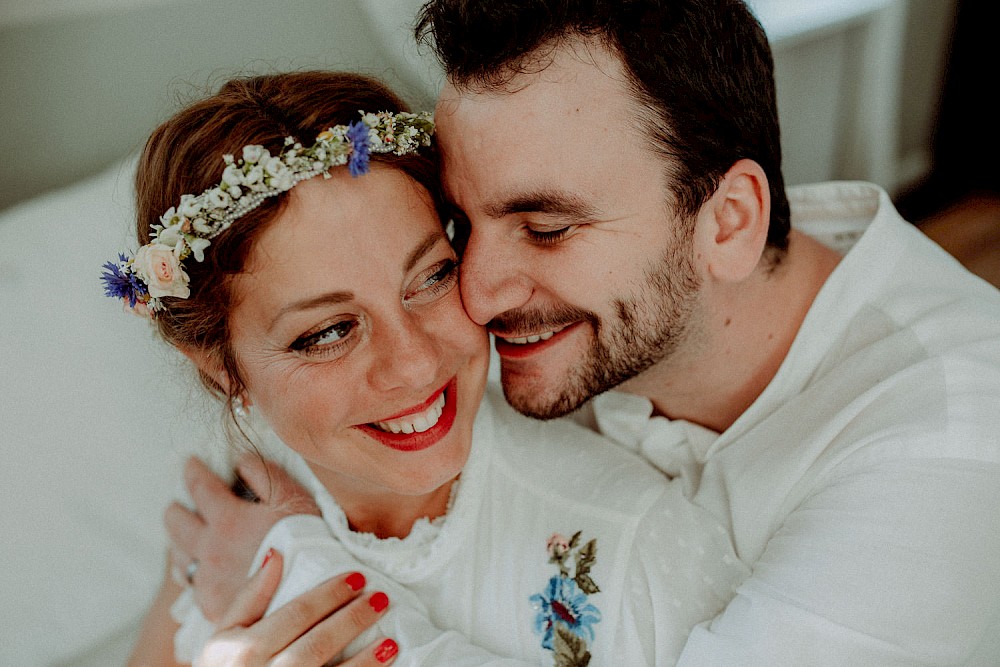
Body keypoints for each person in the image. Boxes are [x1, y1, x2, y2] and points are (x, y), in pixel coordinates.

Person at [178, 0, 1000, 664]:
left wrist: (305, 583)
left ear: (729, 222)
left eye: (544, 226)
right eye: (463, 225)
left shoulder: (949, 446)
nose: (478, 293)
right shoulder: (556, 319)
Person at [106, 70, 746, 666]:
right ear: (223, 372)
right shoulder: (234, 515)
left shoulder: (636, 550)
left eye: (433, 277)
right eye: (328, 333)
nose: (414, 365)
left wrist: (306, 578)